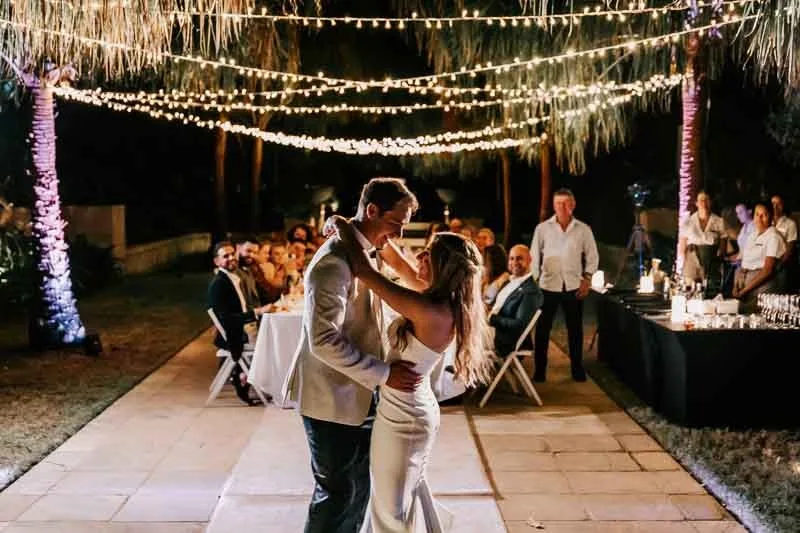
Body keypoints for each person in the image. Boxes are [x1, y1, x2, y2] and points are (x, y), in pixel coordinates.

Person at [329, 217, 492, 533]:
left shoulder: (429, 311)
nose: (418, 257)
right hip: (408, 406)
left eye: (427, 254)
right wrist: (379, 233)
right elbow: (398, 264)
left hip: (405, 418)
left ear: (442, 266)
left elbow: (364, 271)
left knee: (391, 510)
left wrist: (344, 227)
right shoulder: (437, 300)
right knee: (403, 496)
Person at [282, 178, 423, 533]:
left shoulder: (367, 253)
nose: (399, 233)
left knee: (358, 490)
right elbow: (323, 340)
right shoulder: (333, 263)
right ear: (372, 211)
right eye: (396, 222)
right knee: (336, 493)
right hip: (329, 397)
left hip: (361, 397)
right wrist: (384, 374)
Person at [530, 188, 599, 382]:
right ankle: (540, 370)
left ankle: (577, 368)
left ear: (573, 205)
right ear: (554, 205)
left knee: (575, 330)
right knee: (543, 330)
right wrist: (535, 282)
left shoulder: (583, 229)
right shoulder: (542, 229)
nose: (562, 207)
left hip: (572, 286)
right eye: (558, 203)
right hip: (547, 285)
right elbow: (534, 256)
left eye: (566, 203)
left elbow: (592, 256)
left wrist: (587, 279)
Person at [208, 241, 272, 406]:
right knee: (274, 340)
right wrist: (256, 313)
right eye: (225, 256)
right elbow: (227, 319)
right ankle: (255, 380)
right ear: (217, 261)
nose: (231, 258)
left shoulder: (233, 277)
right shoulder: (219, 284)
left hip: (244, 328)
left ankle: (259, 381)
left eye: (232, 254)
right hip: (235, 335)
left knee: (272, 332)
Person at [488, 244, 543, 358]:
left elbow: (519, 325)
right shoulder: (510, 280)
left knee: (465, 335)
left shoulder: (530, 291)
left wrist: (491, 318)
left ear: (529, 260)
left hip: (504, 338)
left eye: (519, 258)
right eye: (511, 258)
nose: (514, 262)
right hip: (493, 329)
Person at [734, 202, 786, 312]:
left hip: (763, 288)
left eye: (764, 215)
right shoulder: (752, 235)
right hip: (745, 286)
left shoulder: (773, 237)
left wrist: (744, 291)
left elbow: (767, 270)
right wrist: (736, 285)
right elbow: (744, 263)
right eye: (757, 214)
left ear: (771, 217)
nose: (759, 218)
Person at [678, 191, 726, 290]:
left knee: (710, 289)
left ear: (711, 202)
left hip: (710, 259)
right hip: (692, 257)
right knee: (690, 288)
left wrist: (718, 260)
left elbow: (723, 245)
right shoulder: (688, 222)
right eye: (701, 200)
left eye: (707, 200)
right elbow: (682, 247)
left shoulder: (719, 221)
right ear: (696, 203)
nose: (704, 203)